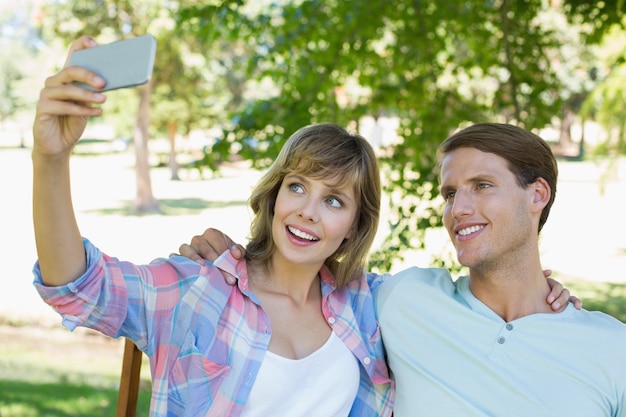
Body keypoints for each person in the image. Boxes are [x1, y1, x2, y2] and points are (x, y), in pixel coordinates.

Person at [31, 36, 393, 416]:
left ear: (354, 225)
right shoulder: (199, 287)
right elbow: (80, 288)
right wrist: (51, 158)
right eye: (297, 187)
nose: (307, 211)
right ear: (275, 196)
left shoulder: (367, 304)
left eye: (334, 200)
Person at [181, 123, 625, 416]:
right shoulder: (404, 300)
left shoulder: (610, 348)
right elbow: (302, 270)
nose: (459, 209)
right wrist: (235, 257)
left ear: (538, 195)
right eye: (450, 194)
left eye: (482, 187)